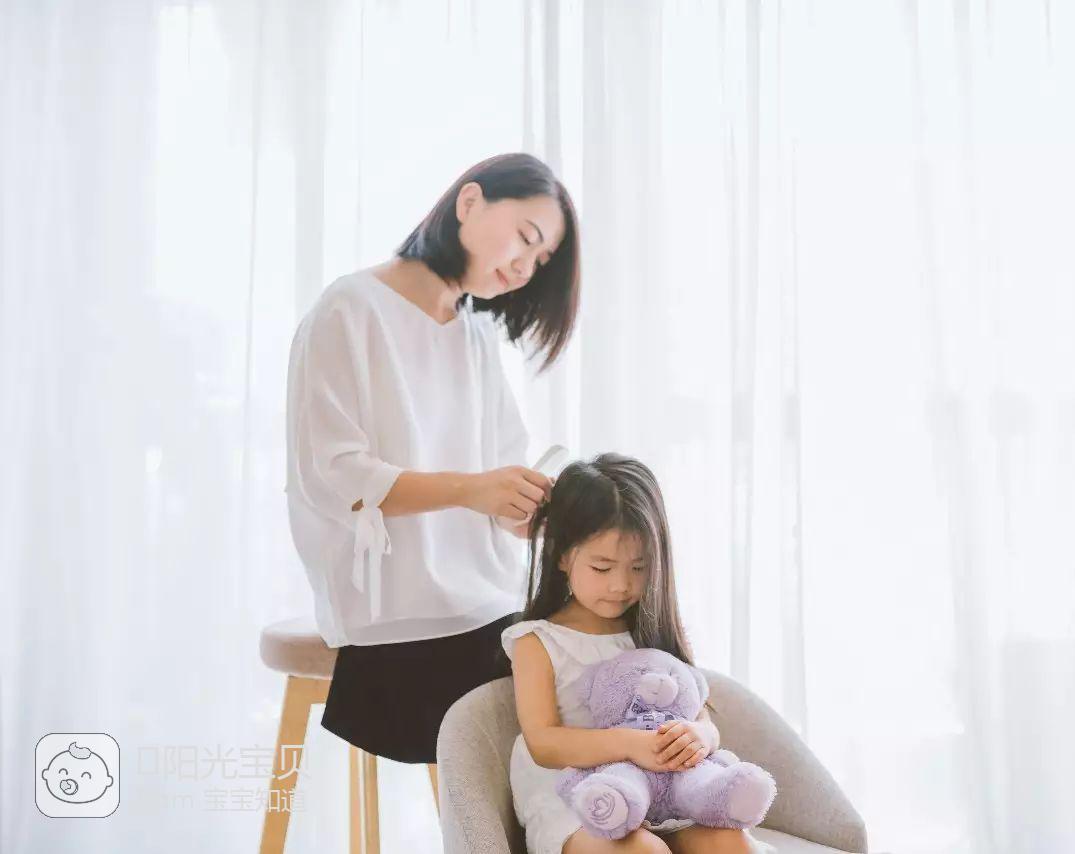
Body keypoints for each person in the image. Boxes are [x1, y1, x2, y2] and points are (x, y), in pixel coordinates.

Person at [283, 152, 579, 805]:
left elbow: (498, 481)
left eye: (540, 260)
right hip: (395, 608)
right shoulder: (350, 308)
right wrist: (472, 490)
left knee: (593, 643)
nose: (526, 268)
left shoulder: (475, 336)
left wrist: (520, 510)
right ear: (469, 202)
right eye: (526, 238)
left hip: (484, 595)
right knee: (546, 700)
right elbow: (335, 475)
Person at [503, 454, 768, 853]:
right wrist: (630, 744)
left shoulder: (650, 629)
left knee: (732, 845)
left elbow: (699, 713)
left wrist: (700, 735)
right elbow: (544, 743)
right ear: (562, 555)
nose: (621, 585)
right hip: (578, 797)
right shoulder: (537, 641)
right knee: (645, 851)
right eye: (602, 567)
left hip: (663, 791)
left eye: (639, 567)